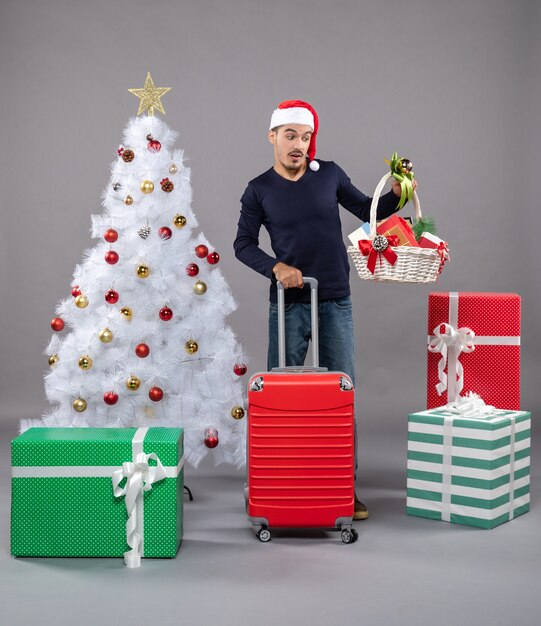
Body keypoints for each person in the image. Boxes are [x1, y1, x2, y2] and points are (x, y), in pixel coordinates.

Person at [234, 100, 415, 520]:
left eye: (306, 136)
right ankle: (280, 481)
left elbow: (370, 211)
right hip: (288, 305)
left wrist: (398, 193)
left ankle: (339, 487)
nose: (299, 145)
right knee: (281, 397)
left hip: (334, 300)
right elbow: (243, 244)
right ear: (273, 137)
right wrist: (276, 268)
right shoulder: (258, 188)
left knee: (340, 396)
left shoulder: (329, 174)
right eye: (290, 136)